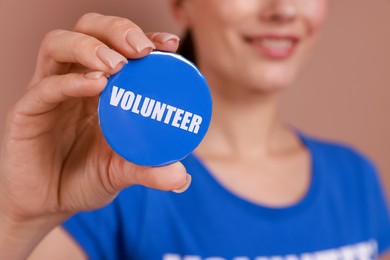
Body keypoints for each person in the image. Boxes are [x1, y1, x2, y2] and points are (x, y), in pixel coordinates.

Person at [0, 0, 389, 259]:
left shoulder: (355, 178)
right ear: (181, 4)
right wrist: (18, 219)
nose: (283, 8)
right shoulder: (108, 180)